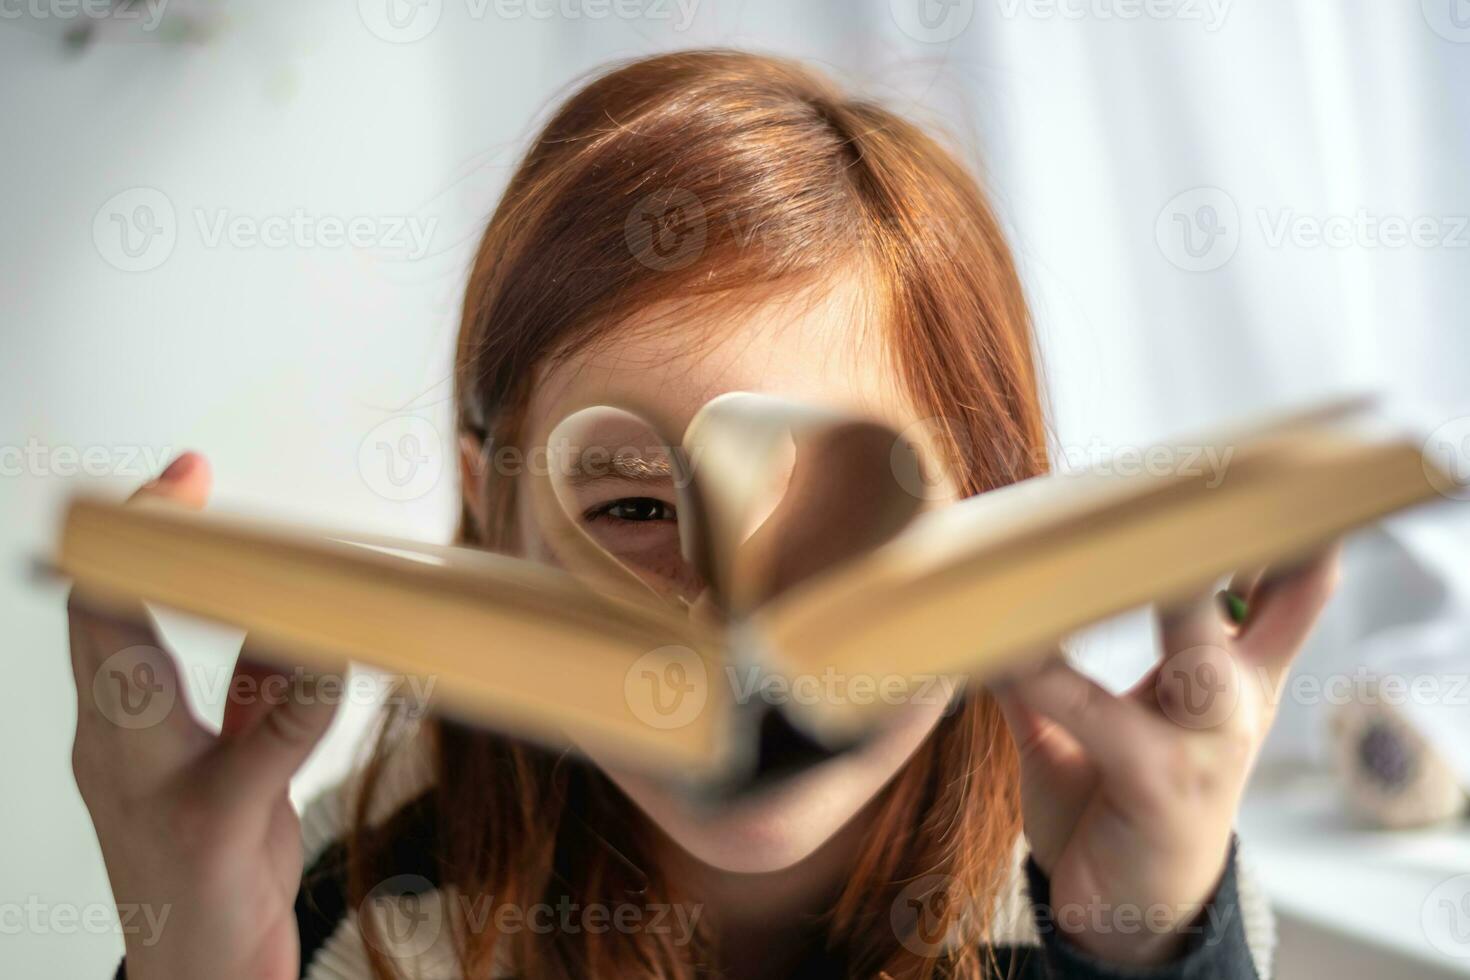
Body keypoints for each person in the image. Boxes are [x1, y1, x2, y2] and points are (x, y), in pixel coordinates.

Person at [70, 49, 1337, 979]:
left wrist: (1156, 944)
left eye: (847, 512)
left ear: (997, 531)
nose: (740, 634)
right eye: (626, 504)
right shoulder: (356, 908)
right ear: (492, 506)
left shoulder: (1114, 880)